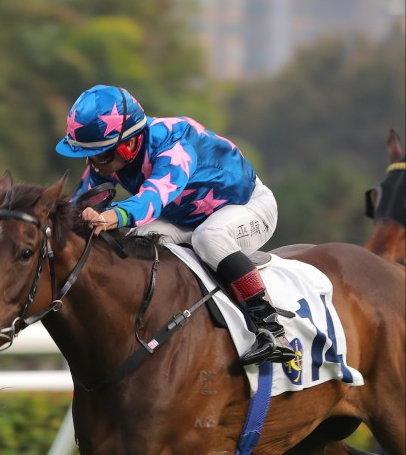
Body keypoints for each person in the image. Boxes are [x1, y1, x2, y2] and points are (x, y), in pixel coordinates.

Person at [55, 85, 296, 366]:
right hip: (186, 217)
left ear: (128, 145)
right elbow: (78, 204)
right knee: (139, 239)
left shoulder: (175, 144)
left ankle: (272, 329)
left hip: (249, 207)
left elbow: (152, 201)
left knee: (210, 237)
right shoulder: (111, 158)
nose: (93, 163)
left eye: (100, 155)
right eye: (89, 155)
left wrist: (110, 216)